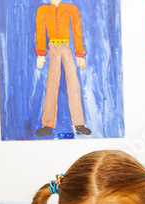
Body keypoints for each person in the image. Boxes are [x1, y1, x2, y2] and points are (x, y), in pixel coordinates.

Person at [34, 0, 91, 137]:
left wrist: (79, 54)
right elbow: (40, 31)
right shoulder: (42, 10)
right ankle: (47, 125)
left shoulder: (71, 8)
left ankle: (79, 124)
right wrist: (41, 54)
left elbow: (77, 30)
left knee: (74, 84)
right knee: (51, 84)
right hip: (52, 47)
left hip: (66, 47)